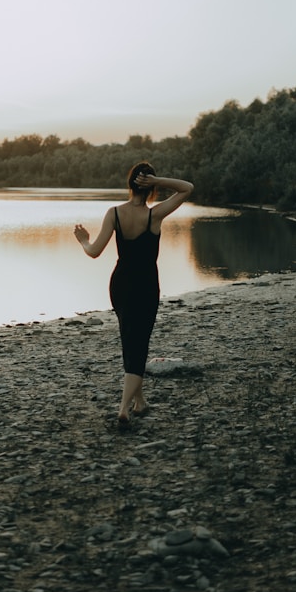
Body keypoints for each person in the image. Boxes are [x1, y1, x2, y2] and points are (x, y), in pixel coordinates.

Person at [74, 162, 193, 427]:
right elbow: (187, 189)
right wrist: (158, 180)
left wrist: (83, 239)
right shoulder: (155, 215)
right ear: (149, 186)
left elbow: (93, 251)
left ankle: (140, 402)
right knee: (139, 344)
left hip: (120, 284)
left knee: (130, 340)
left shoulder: (114, 213)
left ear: (129, 183)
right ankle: (124, 407)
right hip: (146, 285)